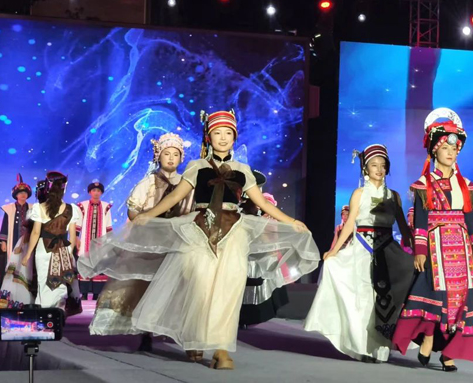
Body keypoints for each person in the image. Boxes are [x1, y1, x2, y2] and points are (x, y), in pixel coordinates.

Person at [78, 109, 319, 370]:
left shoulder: (243, 171)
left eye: (228, 133)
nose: (223, 138)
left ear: (234, 137)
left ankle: (222, 349)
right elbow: (175, 197)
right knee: (199, 288)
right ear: (209, 137)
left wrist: (291, 221)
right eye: (217, 133)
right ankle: (194, 337)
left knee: (230, 289)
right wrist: (148, 215)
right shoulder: (197, 167)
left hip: (234, 233)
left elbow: (262, 203)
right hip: (199, 231)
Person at [392, 108, 473, 372]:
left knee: (463, 300)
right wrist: (420, 250)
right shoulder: (424, 185)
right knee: (435, 296)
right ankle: (429, 336)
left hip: (462, 251)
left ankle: (449, 352)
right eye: (445, 147)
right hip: (436, 249)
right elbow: (421, 221)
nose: (450, 152)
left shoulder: (467, 186)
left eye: (454, 148)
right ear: (434, 150)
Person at [304, 144, 414, 362]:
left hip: (388, 250)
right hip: (362, 248)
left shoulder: (393, 196)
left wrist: (417, 251)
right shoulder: (359, 194)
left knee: (387, 297)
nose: (379, 169)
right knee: (362, 298)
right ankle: (363, 346)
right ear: (366, 168)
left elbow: (403, 227)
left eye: (383, 165)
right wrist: (334, 250)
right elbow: (350, 224)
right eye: (374, 165)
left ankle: (381, 348)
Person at [88, 132, 192, 352]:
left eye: (175, 154)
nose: (171, 158)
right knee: (143, 285)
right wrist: (147, 223)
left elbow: (191, 210)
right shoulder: (149, 182)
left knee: (177, 285)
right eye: (166, 154)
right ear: (158, 156)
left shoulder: (186, 184)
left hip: (176, 240)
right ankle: (145, 332)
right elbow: (133, 210)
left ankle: (174, 329)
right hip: (150, 241)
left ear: (181, 158)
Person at [21, 171, 83, 317]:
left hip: (44, 248)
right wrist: (69, 253)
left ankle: (44, 315)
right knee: (60, 283)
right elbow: (72, 235)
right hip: (62, 249)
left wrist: (28, 254)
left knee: (43, 282)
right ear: (63, 189)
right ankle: (56, 315)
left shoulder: (39, 207)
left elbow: (36, 233)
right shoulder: (72, 209)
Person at [239, 170, 290, 328]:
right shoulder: (239, 209)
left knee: (262, 275)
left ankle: (249, 316)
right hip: (242, 253)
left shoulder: (260, 210)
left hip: (256, 253)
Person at [0, 175, 37, 309]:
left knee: (28, 266)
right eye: (20, 193)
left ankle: (27, 294)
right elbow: (5, 225)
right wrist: (3, 241)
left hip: (29, 242)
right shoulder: (10, 209)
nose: (23, 195)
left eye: (25, 193)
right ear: (16, 195)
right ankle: (12, 294)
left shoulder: (33, 208)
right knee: (13, 266)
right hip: (13, 242)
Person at [76, 181, 113, 300]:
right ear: (89, 192)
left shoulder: (106, 207)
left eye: (98, 191)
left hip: (101, 242)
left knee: (99, 266)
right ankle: (84, 293)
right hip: (85, 242)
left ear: (101, 193)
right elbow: (78, 224)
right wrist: (76, 238)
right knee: (85, 265)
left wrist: (109, 241)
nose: (96, 193)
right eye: (94, 190)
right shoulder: (82, 206)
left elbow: (108, 226)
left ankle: (97, 293)